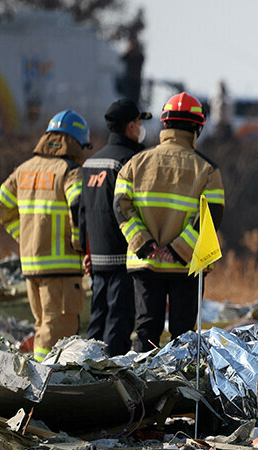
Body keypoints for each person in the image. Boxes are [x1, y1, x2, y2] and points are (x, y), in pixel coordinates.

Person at [114, 92, 225, 352]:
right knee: (183, 336)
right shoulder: (207, 169)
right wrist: (177, 250)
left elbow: (120, 206)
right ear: (197, 128)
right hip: (186, 265)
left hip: (145, 262)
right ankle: (178, 388)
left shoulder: (134, 163)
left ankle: (140, 389)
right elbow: (212, 215)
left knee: (146, 332)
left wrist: (144, 244)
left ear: (165, 125)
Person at [0, 110, 91, 361]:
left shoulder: (23, 170)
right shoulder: (70, 171)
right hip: (61, 269)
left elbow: (2, 204)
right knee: (57, 333)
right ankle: (47, 386)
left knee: (42, 328)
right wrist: (80, 245)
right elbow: (78, 206)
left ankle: (38, 383)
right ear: (76, 142)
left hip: (31, 266)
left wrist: (24, 237)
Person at [79, 99, 152, 357]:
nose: (142, 128)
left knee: (96, 325)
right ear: (131, 126)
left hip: (97, 259)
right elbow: (136, 209)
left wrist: (85, 252)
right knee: (118, 328)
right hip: (125, 258)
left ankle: (86, 374)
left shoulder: (90, 164)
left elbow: (82, 211)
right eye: (140, 122)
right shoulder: (131, 162)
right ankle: (108, 385)